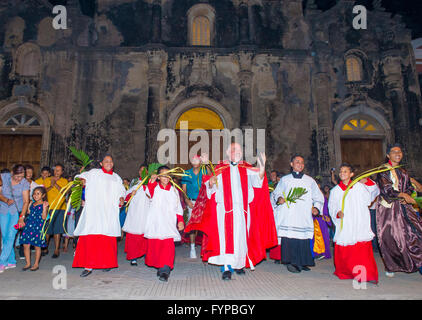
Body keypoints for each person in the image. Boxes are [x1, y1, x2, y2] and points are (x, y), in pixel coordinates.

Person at [185, 143, 277, 280]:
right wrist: (211, 182)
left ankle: (239, 264)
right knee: (226, 238)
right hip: (224, 211)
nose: (237, 152)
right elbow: (210, 189)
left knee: (241, 238)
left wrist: (262, 165)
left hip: (242, 210)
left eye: (239, 150)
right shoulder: (219, 168)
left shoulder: (246, 167)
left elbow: (259, 181)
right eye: (234, 149)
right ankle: (227, 266)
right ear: (228, 152)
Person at [72, 154, 125, 277]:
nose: (109, 163)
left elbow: (122, 190)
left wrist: (122, 197)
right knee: (91, 237)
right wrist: (81, 180)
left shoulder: (116, 177)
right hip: (94, 211)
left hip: (109, 212)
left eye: (111, 161)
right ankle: (88, 266)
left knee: (107, 238)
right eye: (106, 161)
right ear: (101, 163)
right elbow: (79, 177)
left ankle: (106, 264)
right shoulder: (94, 173)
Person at [376, 143, 422, 277]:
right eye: (394, 151)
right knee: (392, 238)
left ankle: (419, 263)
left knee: (415, 232)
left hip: (404, 207)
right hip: (389, 209)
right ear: (388, 155)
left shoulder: (403, 171)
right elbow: (386, 189)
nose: (398, 153)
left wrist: (406, 195)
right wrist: (402, 195)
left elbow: (408, 187)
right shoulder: (383, 170)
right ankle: (391, 265)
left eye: (400, 151)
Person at [272, 155, 324, 273]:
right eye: (297, 162)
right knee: (291, 237)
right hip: (289, 214)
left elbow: (318, 196)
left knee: (303, 238)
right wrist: (279, 197)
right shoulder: (285, 179)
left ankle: (303, 261)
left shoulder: (310, 180)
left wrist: (316, 207)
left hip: (303, 214)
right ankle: (292, 262)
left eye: (302, 162)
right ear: (291, 164)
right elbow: (277, 192)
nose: (300, 164)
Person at [328, 163, 378, 284]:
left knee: (361, 250)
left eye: (345, 171)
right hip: (345, 222)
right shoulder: (335, 190)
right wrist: (337, 213)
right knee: (346, 249)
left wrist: (367, 181)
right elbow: (332, 206)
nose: (342, 173)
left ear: (351, 174)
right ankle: (346, 272)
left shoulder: (359, 187)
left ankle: (366, 274)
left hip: (359, 220)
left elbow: (373, 194)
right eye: (340, 171)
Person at [144, 166, 184, 282]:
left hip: (169, 223)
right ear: (159, 177)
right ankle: (160, 266)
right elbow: (149, 193)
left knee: (167, 247)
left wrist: (180, 220)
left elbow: (178, 208)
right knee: (156, 246)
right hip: (156, 222)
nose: (166, 177)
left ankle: (165, 270)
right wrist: (151, 181)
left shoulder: (174, 191)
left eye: (168, 174)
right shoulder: (154, 188)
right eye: (163, 175)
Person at [0, 164, 30, 273]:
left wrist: (22, 217)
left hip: (16, 213)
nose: (19, 179)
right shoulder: (3, 177)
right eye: (17, 176)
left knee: (11, 235)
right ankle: (11, 261)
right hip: (3, 210)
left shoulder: (25, 183)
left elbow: (26, 201)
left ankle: (2, 262)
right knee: (5, 236)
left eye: (22, 176)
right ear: (12, 173)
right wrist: (5, 200)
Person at [122, 175, 151, 266]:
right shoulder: (135, 185)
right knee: (133, 235)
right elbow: (125, 197)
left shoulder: (151, 186)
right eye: (141, 170)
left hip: (146, 214)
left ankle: (147, 255)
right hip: (135, 215)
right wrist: (131, 194)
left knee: (146, 236)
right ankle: (133, 258)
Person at [181, 155, 205, 258]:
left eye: (197, 160)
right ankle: (192, 247)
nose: (195, 162)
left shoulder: (204, 172)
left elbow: (211, 176)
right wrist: (186, 200)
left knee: (205, 225)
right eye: (193, 160)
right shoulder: (187, 173)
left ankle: (206, 248)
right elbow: (184, 189)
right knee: (192, 226)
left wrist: (206, 162)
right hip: (192, 202)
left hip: (203, 202)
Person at [19, 186, 49, 271]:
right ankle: (28, 263)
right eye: (34, 194)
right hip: (29, 226)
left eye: (38, 194)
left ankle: (36, 264)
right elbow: (29, 212)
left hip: (38, 227)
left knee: (37, 246)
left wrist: (44, 208)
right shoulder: (32, 203)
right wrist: (28, 206)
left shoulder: (44, 204)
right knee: (26, 245)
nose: (35, 195)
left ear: (43, 195)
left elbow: (44, 218)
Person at [45, 164, 68, 258]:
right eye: (55, 170)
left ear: (62, 172)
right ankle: (45, 247)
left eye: (58, 170)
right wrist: (51, 185)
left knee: (57, 230)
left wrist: (56, 184)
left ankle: (56, 250)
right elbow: (43, 191)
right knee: (47, 229)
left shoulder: (64, 181)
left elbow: (65, 192)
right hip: (49, 207)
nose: (56, 172)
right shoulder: (47, 179)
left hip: (60, 208)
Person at [312, 184, 332, 260]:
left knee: (324, 237)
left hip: (321, 219)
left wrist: (327, 217)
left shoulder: (323, 198)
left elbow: (326, 209)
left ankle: (323, 253)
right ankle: (315, 253)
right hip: (312, 219)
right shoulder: (309, 197)